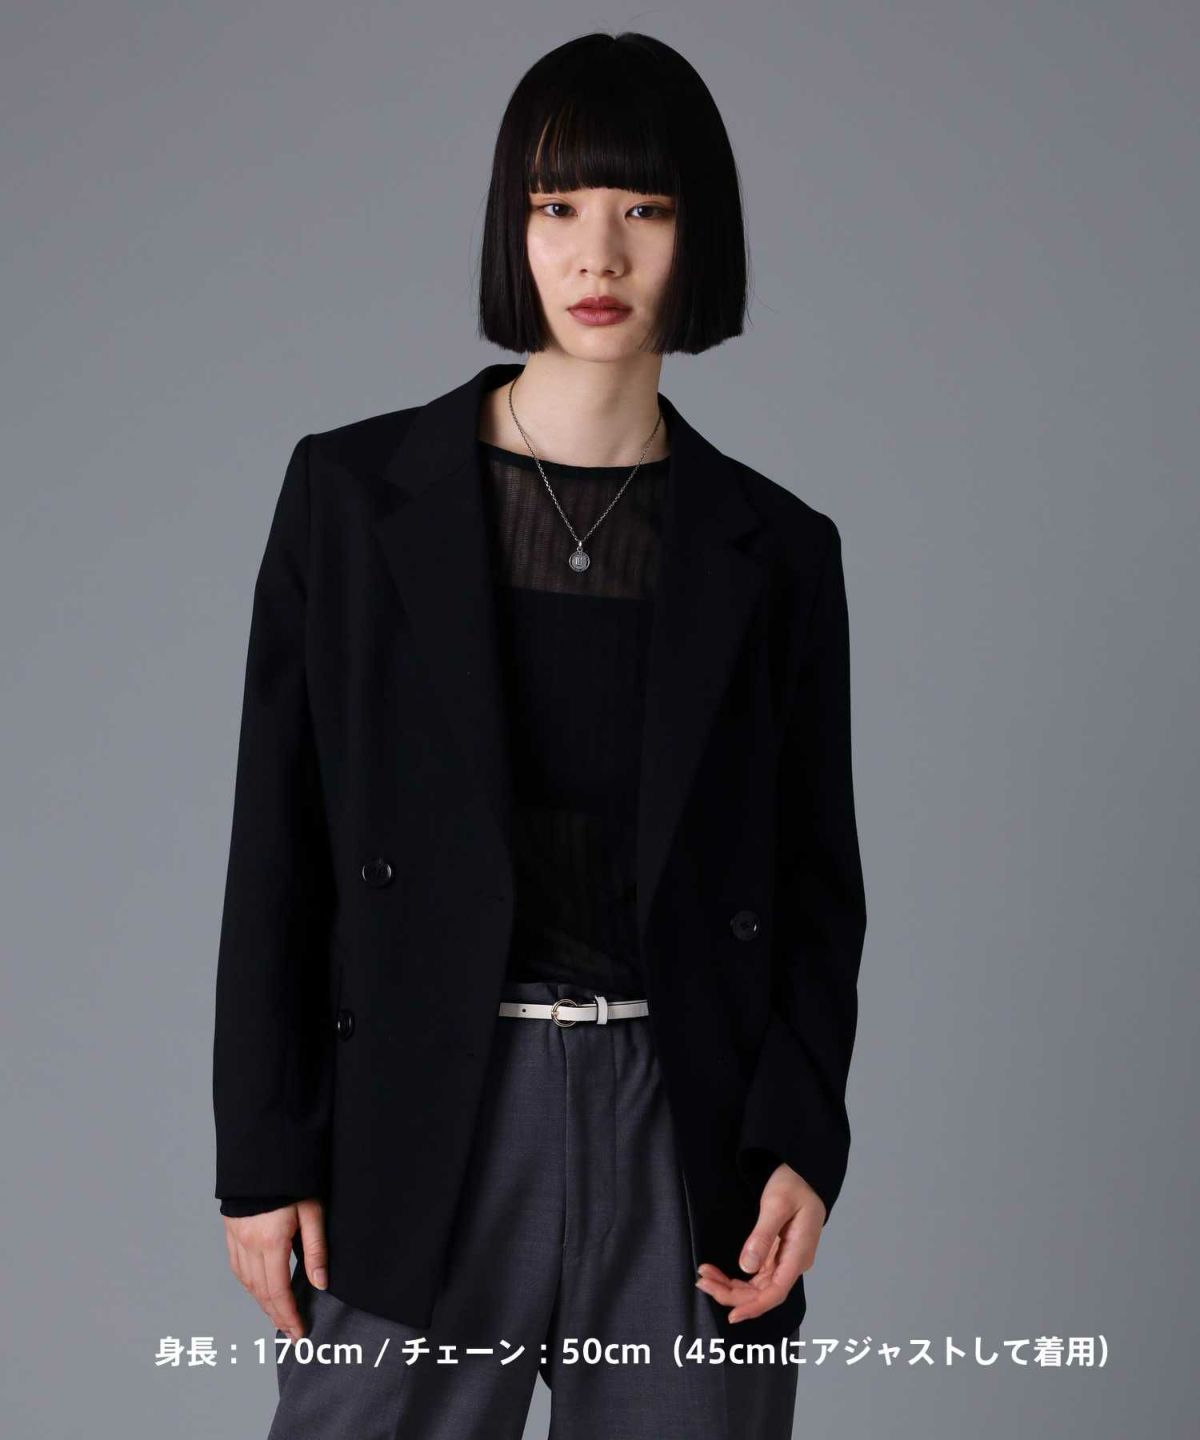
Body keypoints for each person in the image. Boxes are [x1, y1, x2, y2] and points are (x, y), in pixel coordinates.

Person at [213, 29, 867, 1440]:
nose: (599, 255)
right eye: (558, 205)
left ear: (699, 236)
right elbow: (281, 842)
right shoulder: (350, 501)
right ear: (512, 228)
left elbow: (818, 886)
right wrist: (262, 1154)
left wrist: (802, 1140)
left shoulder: (779, 552)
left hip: (683, 1134)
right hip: (424, 1114)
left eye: (646, 208)